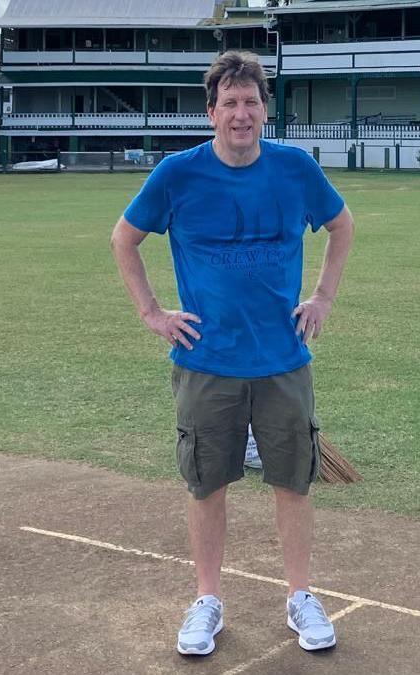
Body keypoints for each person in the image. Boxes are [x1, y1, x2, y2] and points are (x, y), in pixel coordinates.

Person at [109, 50, 354, 657]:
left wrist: (322, 296)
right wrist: (151, 313)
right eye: (230, 103)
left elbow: (343, 225)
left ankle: (300, 596)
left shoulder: (295, 169)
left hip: (282, 361)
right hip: (206, 362)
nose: (241, 114)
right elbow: (124, 238)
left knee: (293, 484)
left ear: (264, 110)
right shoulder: (177, 174)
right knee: (206, 486)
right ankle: (207, 601)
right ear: (211, 111)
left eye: (251, 102)